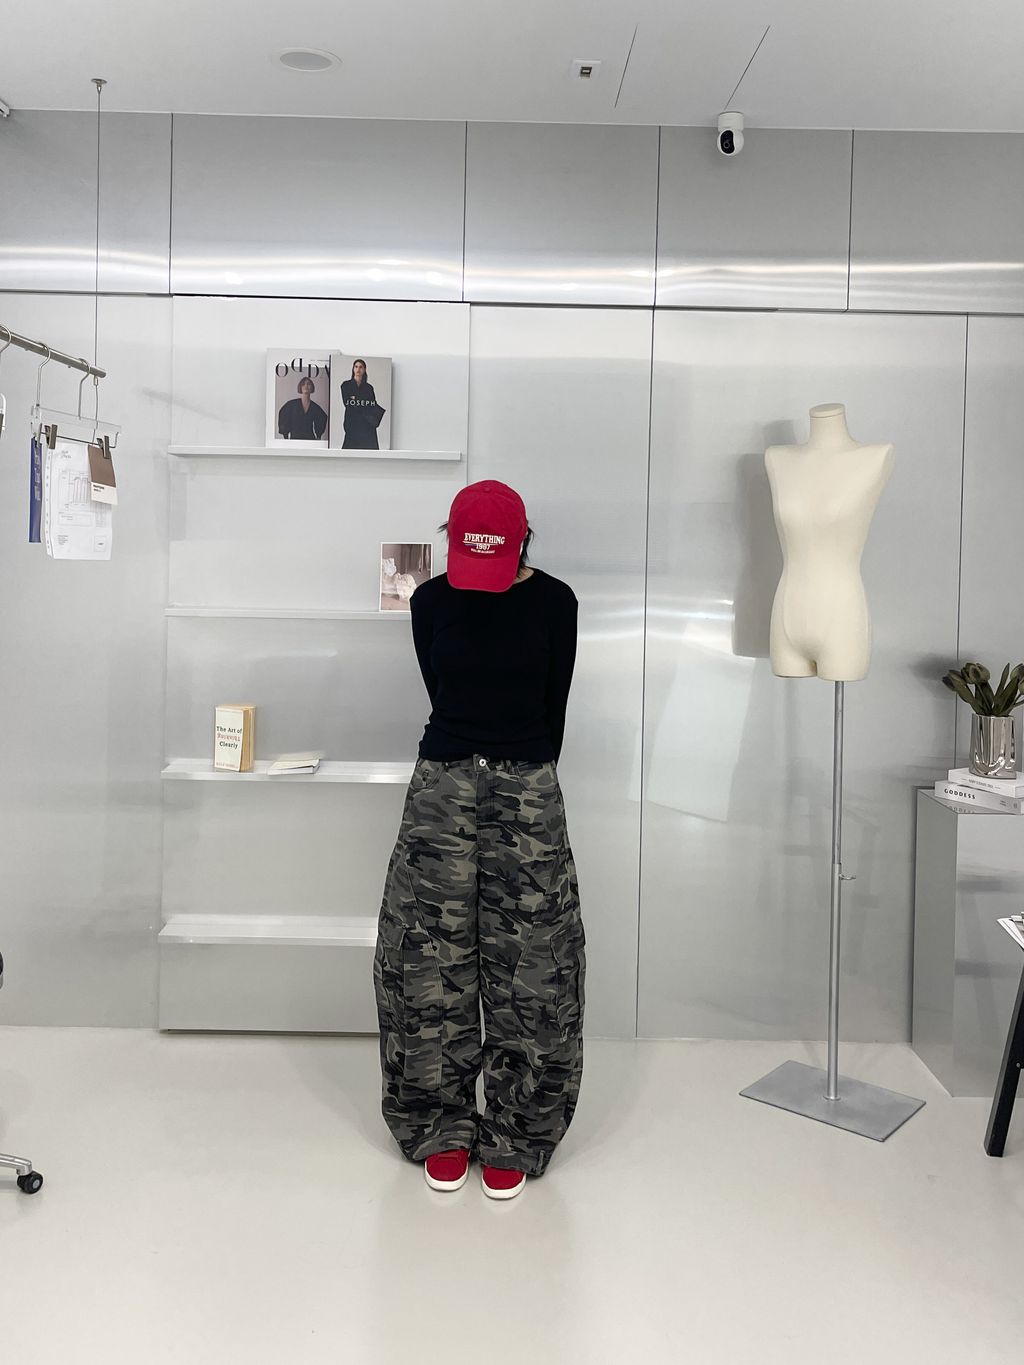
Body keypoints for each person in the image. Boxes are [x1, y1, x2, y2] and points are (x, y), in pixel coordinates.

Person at [373, 479, 584, 1201]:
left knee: (536, 963)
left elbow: (553, 707)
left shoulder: (556, 602)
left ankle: (520, 1128)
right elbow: (442, 694)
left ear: (523, 541)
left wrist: (519, 766)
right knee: (427, 957)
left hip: (528, 788)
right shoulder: (431, 600)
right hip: (442, 786)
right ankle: (437, 1121)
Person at [340, 359, 385, 450]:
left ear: (364, 370)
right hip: (352, 422)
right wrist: (363, 402)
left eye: (361, 367)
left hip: (367, 424)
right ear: (353, 369)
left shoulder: (369, 388)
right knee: (349, 452)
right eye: (356, 367)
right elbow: (348, 403)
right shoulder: (346, 385)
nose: (358, 369)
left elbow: (372, 404)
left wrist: (356, 399)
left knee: (369, 452)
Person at [277, 375, 328, 442]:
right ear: (300, 387)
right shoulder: (291, 405)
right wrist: (285, 436)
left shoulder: (315, 407)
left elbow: (322, 418)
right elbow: (283, 415)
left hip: (310, 440)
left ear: (312, 388)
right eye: (303, 384)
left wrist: (318, 436)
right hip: (294, 440)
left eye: (308, 384)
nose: (306, 386)